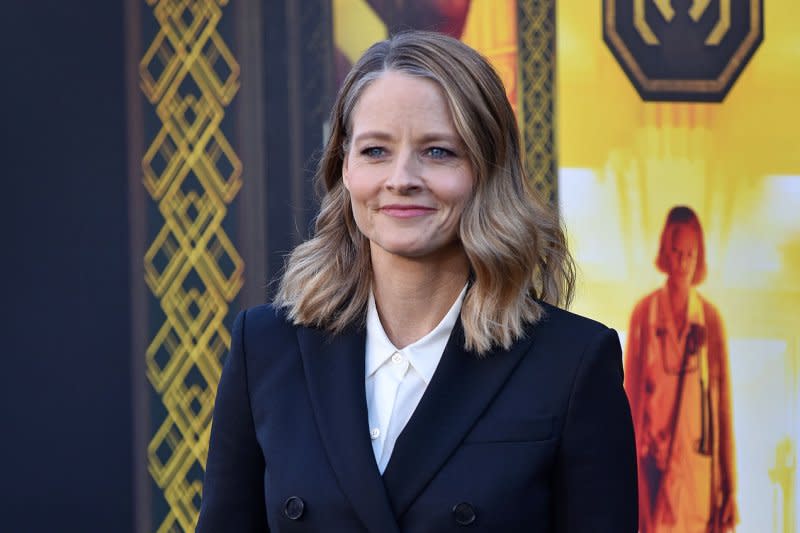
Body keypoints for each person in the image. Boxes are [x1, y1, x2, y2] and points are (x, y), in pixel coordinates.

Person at [197, 30, 637, 532]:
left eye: (438, 152)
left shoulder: (573, 363)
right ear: (343, 168)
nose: (401, 177)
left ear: (488, 170)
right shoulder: (266, 349)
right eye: (375, 151)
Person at [624, 206, 737, 533]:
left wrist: (728, 489)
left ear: (699, 256)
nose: (683, 261)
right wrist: (630, 481)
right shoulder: (644, 315)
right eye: (677, 251)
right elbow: (631, 401)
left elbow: (722, 410)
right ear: (665, 252)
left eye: (691, 253)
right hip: (653, 472)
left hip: (698, 476)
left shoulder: (710, 320)